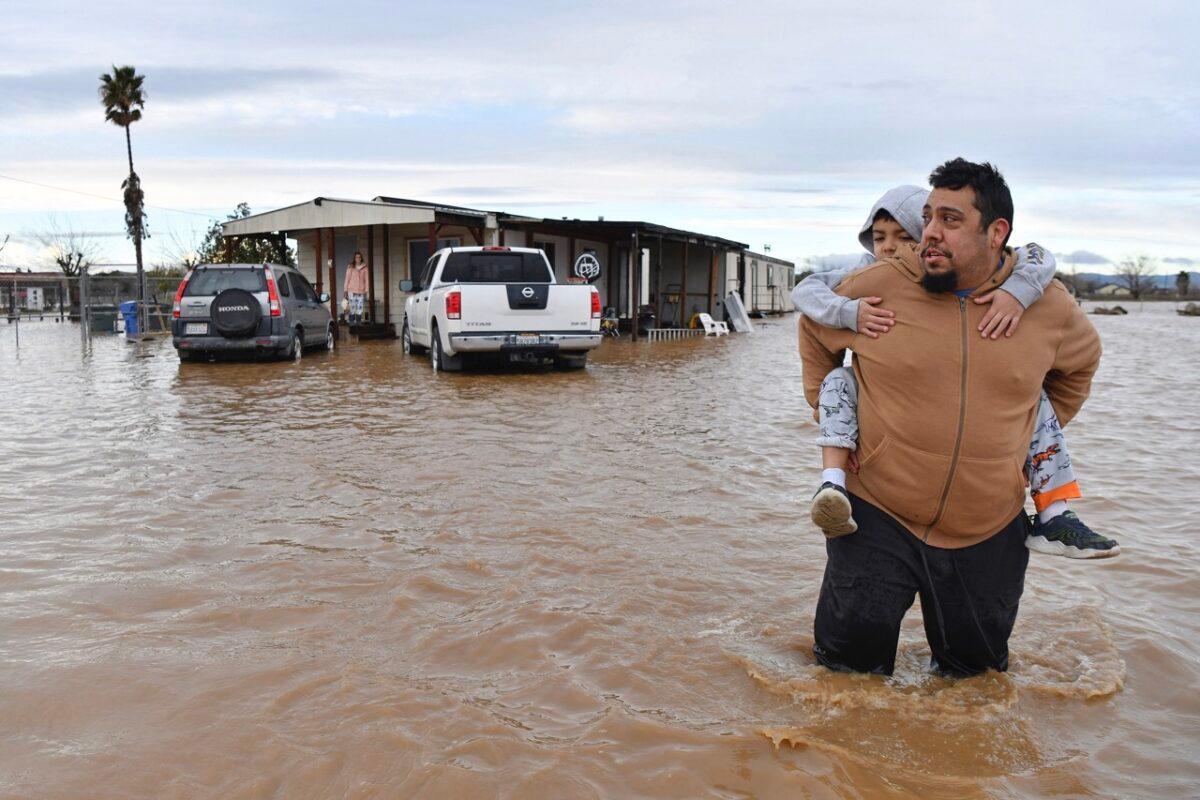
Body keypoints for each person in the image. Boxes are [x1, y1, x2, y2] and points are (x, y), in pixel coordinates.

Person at [798, 158, 1102, 676]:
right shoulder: (880, 287)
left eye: (950, 220)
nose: (929, 234)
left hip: (988, 528)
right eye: (929, 216)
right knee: (844, 683)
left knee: (975, 685)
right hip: (875, 517)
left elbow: (1080, 365)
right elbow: (813, 329)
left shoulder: (1045, 305)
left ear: (996, 232)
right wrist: (846, 426)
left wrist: (1013, 440)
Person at [793, 185, 1119, 559]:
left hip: (989, 520)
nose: (890, 248)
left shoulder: (1025, 291)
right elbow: (809, 304)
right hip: (878, 507)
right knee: (857, 617)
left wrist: (1013, 436)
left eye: (904, 237)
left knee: (1035, 397)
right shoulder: (869, 282)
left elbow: (1039, 258)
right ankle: (831, 482)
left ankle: (1054, 514)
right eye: (879, 238)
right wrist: (846, 316)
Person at [344, 251, 369, 324]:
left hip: (361, 291)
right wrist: (345, 290)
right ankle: (351, 325)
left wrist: (366, 290)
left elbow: (367, 279)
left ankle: (358, 324)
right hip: (351, 290)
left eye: (359, 257)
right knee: (352, 308)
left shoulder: (365, 268)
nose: (358, 258)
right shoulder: (350, 267)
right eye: (356, 257)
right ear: (354, 258)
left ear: (361, 258)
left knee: (359, 308)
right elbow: (347, 279)